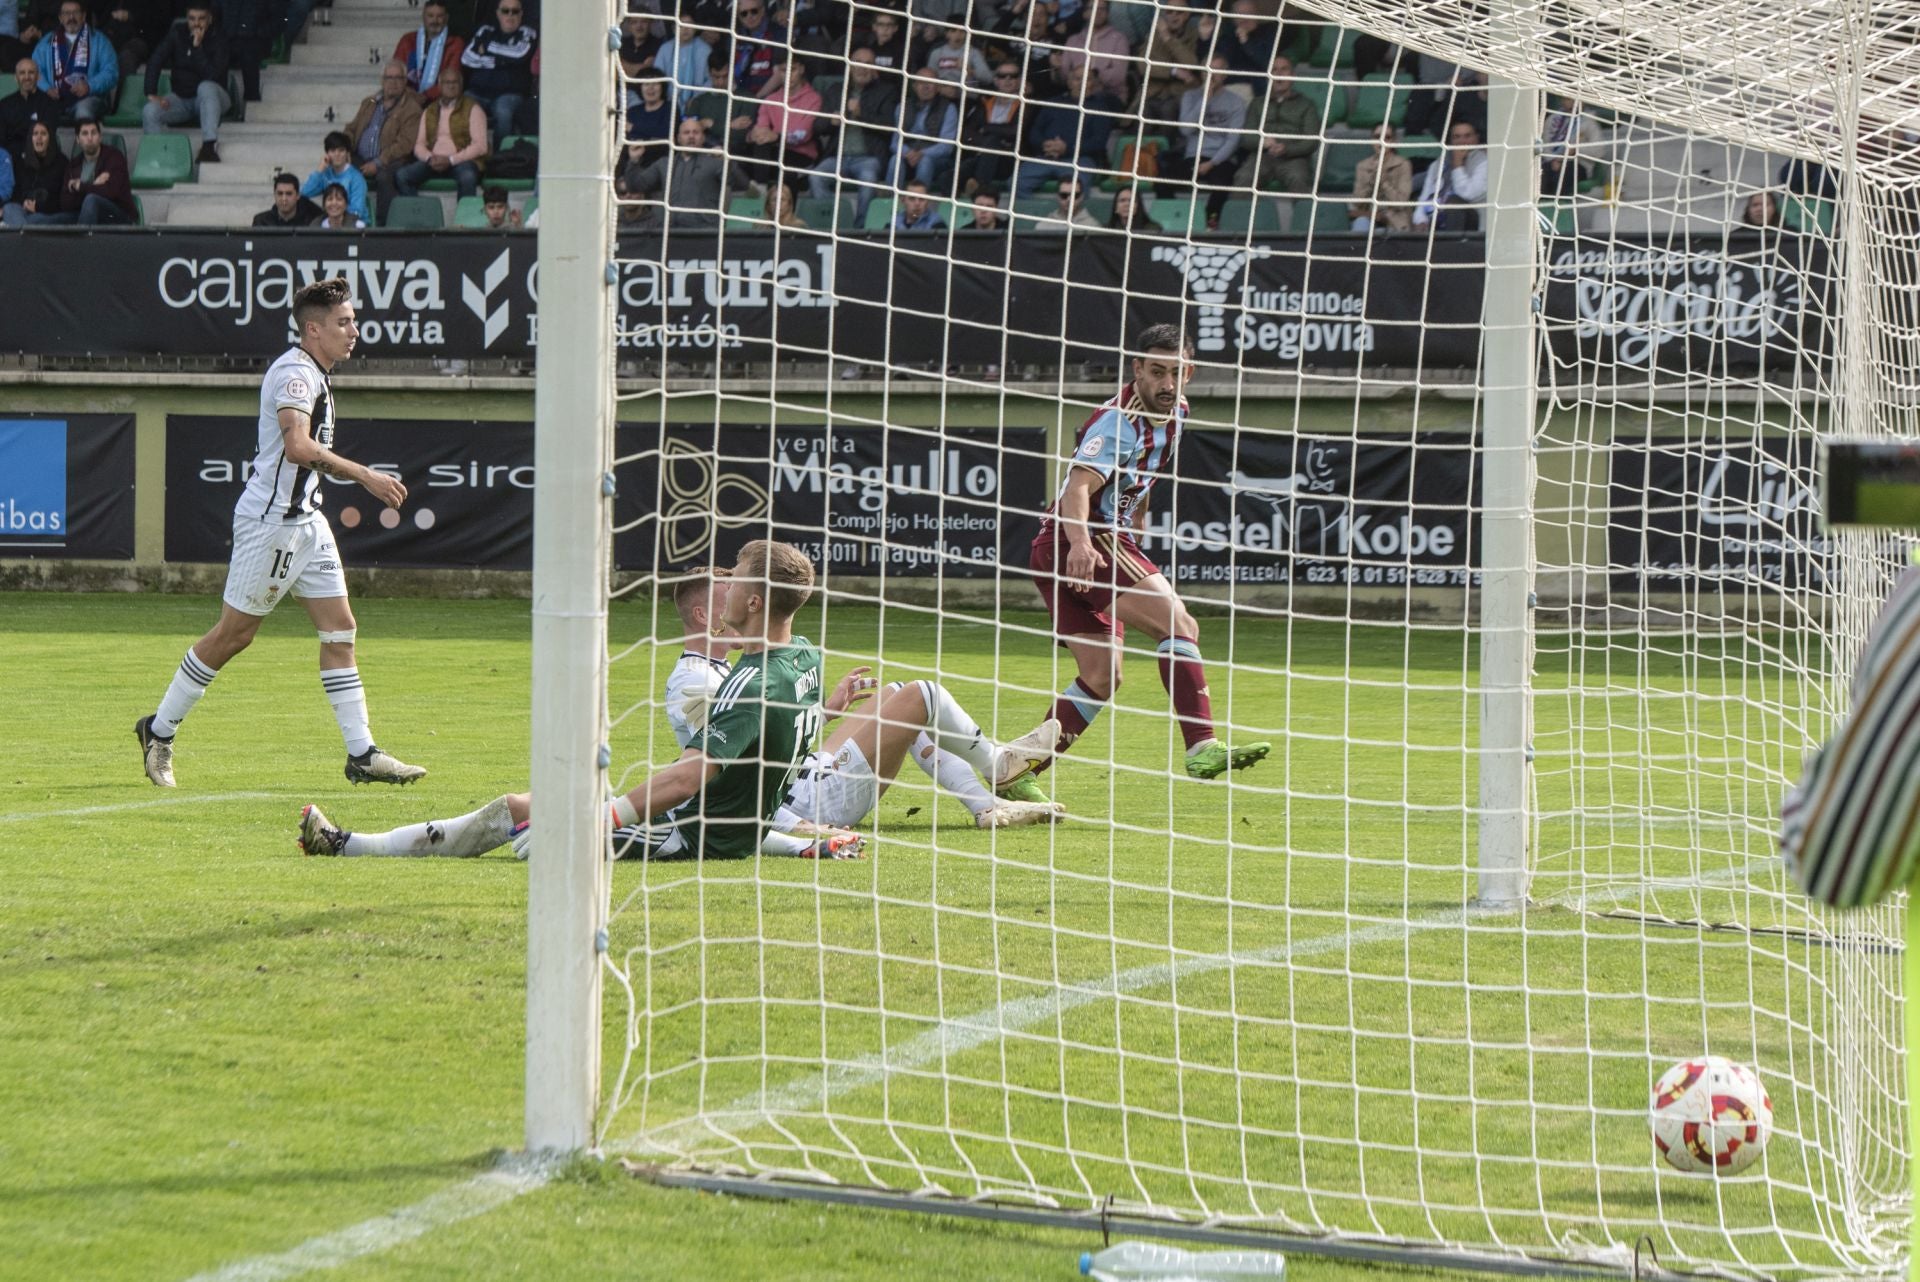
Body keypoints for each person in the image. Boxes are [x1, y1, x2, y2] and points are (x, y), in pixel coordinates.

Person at [296, 540, 820, 863]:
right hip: (716, 826)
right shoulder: (802, 657)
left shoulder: (750, 681)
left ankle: (350, 845)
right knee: (526, 806)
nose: (725, 583)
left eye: (736, 574)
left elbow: (692, 782)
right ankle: (350, 843)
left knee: (521, 814)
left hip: (685, 835)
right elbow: (763, 773)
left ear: (753, 602)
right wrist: (799, 837)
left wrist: (601, 820)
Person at [135, 278, 426, 791]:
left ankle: (362, 754)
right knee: (233, 636)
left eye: (353, 320)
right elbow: (297, 445)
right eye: (343, 323)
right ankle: (158, 731)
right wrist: (366, 475)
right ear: (313, 329)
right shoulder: (295, 374)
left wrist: (347, 478)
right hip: (272, 526)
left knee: (340, 631)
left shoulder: (316, 371)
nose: (354, 331)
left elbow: (308, 455)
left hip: (308, 523)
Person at [1024, 324, 1271, 786]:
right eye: (1156, 371)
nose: (1166, 383)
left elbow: (1143, 474)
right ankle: (1201, 745)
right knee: (1179, 624)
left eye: (1175, 372)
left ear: (1189, 372)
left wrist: (1138, 512)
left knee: (1100, 677)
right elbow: (1079, 486)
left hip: (1062, 546)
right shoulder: (1118, 420)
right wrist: (1080, 543)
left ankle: (1017, 770)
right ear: (1136, 368)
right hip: (1085, 539)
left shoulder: (1176, 411)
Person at [806, 46, 898, 223]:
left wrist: (860, 114)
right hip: (837, 157)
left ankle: (860, 228)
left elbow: (889, 126)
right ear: (849, 66)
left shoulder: (886, 91)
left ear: (875, 69)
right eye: (857, 63)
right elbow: (817, 126)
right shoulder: (835, 90)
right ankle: (838, 220)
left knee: (868, 179)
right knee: (815, 177)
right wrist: (830, 122)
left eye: (868, 64)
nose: (862, 68)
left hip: (868, 158)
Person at [1164, 56, 1251, 230]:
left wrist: (1212, 163)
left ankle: (1210, 222)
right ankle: (1175, 219)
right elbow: (1185, 130)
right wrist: (1204, 100)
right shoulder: (1190, 96)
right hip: (1193, 156)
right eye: (1209, 69)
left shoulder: (1236, 102)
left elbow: (1233, 140)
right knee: (1161, 181)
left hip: (1220, 159)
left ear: (1225, 74)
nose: (1212, 74)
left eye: (1217, 70)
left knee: (1223, 183)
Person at [140, 2, 229, 163]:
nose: (196, 23)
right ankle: (159, 159)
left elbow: (212, 75)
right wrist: (151, 92)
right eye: (192, 18)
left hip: (215, 98)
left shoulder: (219, 37)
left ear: (210, 18)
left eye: (201, 18)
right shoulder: (178, 33)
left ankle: (209, 146)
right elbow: (155, 60)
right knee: (149, 111)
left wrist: (197, 48)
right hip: (183, 99)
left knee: (205, 87)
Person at [619, 114, 742, 229]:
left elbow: (741, 184)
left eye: (696, 132)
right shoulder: (664, 164)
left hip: (705, 233)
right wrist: (634, 160)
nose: (691, 136)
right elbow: (636, 186)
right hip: (670, 233)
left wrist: (727, 161)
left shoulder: (715, 161)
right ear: (678, 138)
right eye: (686, 132)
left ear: (703, 138)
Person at [395, 65, 488, 202]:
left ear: (461, 85)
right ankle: (419, 216)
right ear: (439, 86)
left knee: (468, 176)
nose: (451, 86)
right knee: (402, 175)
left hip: (461, 161)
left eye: (455, 82)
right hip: (433, 161)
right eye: (447, 82)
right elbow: (419, 144)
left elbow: (480, 146)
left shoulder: (473, 109)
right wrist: (429, 158)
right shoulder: (430, 110)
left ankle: (462, 221)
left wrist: (451, 160)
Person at [349, 60, 424, 226]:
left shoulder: (412, 108)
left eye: (399, 78)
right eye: (389, 78)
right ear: (382, 80)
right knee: (338, 168)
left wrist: (378, 162)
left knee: (384, 177)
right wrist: (339, 147)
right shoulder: (369, 102)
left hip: (394, 160)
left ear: (405, 81)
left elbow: (405, 144)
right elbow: (352, 128)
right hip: (361, 157)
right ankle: (347, 219)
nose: (394, 82)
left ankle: (384, 225)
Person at [460, 0, 539, 141]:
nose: (510, 15)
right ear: (497, 13)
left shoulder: (527, 32)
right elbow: (466, 58)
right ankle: (466, 155)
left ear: (521, 14)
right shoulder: (485, 30)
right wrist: (498, 61)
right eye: (505, 11)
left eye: (515, 11)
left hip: (510, 94)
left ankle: (501, 157)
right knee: (461, 107)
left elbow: (519, 54)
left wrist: (487, 48)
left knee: (503, 112)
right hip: (478, 91)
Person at [33, 0, 119, 124]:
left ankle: (83, 143)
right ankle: (53, 144)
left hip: (90, 98)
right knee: (39, 111)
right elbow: (35, 70)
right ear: (60, 17)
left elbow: (111, 72)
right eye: (67, 13)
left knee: (83, 110)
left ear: (83, 16)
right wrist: (47, 89)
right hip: (54, 98)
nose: (71, 17)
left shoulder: (100, 41)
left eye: (75, 13)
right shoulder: (46, 42)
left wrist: (89, 86)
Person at [741, 57, 822, 186]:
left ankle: (760, 189)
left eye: (793, 69)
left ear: (801, 69)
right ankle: (761, 188)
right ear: (779, 72)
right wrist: (756, 134)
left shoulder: (814, 99)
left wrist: (776, 136)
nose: (788, 75)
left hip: (801, 155)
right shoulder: (770, 99)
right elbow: (762, 129)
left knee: (764, 155)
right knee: (753, 149)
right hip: (773, 155)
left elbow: (803, 135)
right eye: (784, 70)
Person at [1248, 53, 1316, 200]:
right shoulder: (1257, 104)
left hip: (1294, 158)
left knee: (1298, 179)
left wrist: (1287, 149)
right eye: (1274, 70)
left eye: (1284, 69)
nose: (1278, 74)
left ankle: (1303, 222)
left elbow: (1311, 141)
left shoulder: (1306, 104)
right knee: (1243, 177)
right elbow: (1245, 138)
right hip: (1262, 156)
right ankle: (1239, 222)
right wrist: (1263, 143)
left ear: (1293, 75)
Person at [51, 118, 134, 224]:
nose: (90, 138)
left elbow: (112, 193)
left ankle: (83, 240)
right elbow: (65, 203)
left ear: (100, 137)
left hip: (117, 215)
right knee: (43, 220)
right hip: (83, 213)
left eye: (93, 133)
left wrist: (80, 187)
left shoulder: (114, 157)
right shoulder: (73, 165)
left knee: (91, 200)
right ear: (77, 139)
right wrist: (93, 185)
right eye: (85, 134)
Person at [890, 69, 959, 192]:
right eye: (921, 82)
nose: (925, 86)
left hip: (937, 159)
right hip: (908, 155)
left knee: (925, 161)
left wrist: (921, 154)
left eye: (930, 83)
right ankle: (890, 203)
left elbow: (946, 146)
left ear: (938, 87)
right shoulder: (902, 107)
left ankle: (919, 203)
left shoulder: (949, 108)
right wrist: (909, 153)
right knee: (895, 159)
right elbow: (895, 143)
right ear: (914, 86)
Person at [1412, 119, 1487, 231]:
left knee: (1453, 202)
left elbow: (1468, 194)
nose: (1462, 141)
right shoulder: (1438, 164)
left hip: (1471, 222)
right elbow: (1425, 196)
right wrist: (1420, 220)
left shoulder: (1484, 162)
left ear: (1476, 138)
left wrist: (1458, 166)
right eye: (1457, 137)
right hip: (1437, 217)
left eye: (1467, 136)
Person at [394, 0, 466, 104]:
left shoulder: (455, 44)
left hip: (440, 100)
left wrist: (424, 96)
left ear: (446, 18)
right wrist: (409, 94)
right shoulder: (408, 40)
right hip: (408, 98)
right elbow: (396, 73)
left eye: (439, 16)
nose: (434, 21)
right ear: (423, 17)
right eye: (430, 16)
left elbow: (451, 81)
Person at [1056, 0, 1129, 102]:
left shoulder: (1119, 39)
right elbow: (1064, 75)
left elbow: (1118, 76)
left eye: (1102, 9)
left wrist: (1086, 76)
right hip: (1075, 96)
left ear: (1107, 13)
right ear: (1085, 13)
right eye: (1092, 8)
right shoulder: (1073, 40)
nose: (1098, 12)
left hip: (1108, 97)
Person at [1349, 123, 1412, 232]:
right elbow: (1357, 203)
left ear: (1394, 141)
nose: (1381, 142)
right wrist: (1371, 182)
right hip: (1369, 216)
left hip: (1394, 219)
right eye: (1377, 137)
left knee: (1380, 233)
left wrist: (1384, 183)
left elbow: (1401, 203)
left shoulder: (1403, 164)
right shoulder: (1363, 166)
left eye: (1387, 137)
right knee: (1360, 223)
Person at [301, 130, 372, 225]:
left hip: (353, 223)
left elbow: (357, 211)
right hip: (331, 218)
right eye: (332, 150)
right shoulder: (325, 173)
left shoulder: (356, 178)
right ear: (327, 154)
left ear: (347, 153)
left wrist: (335, 212)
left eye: (341, 150)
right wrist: (320, 169)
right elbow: (304, 193)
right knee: (301, 203)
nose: (337, 154)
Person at [1, 118, 62, 225]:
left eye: (43, 133)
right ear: (30, 138)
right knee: (9, 208)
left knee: (37, 220)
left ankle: (25, 234)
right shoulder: (21, 163)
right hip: (23, 211)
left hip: (49, 213)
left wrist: (38, 207)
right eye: (35, 134)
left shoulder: (62, 162)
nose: (39, 137)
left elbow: (63, 199)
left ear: (50, 138)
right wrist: (24, 202)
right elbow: (15, 194)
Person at [2, 56, 57, 156]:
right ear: (16, 77)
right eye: (22, 73)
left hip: (39, 159)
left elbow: (48, 138)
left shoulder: (49, 104)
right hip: (12, 159)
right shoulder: (5, 104)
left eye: (31, 72)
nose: (27, 77)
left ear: (38, 77)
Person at [251, 170, 322, 227]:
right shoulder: (261, 222)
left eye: (289, 194)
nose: (284, 198)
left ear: (298, 196)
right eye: (280, 193)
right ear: (274, 195)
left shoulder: (311, 222)